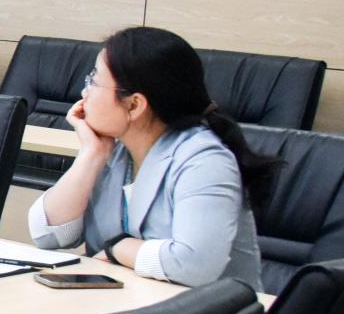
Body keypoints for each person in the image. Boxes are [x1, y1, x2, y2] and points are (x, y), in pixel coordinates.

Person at [30, 26, 272, 289]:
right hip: (127, 302)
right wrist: (91, 154)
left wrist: (117, 248)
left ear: (134, 105)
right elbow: (48, 235)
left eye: (94, 81)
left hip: (209, 311)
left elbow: (194, 265)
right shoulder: (114, 149)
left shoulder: (205, 161)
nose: (84, 93)